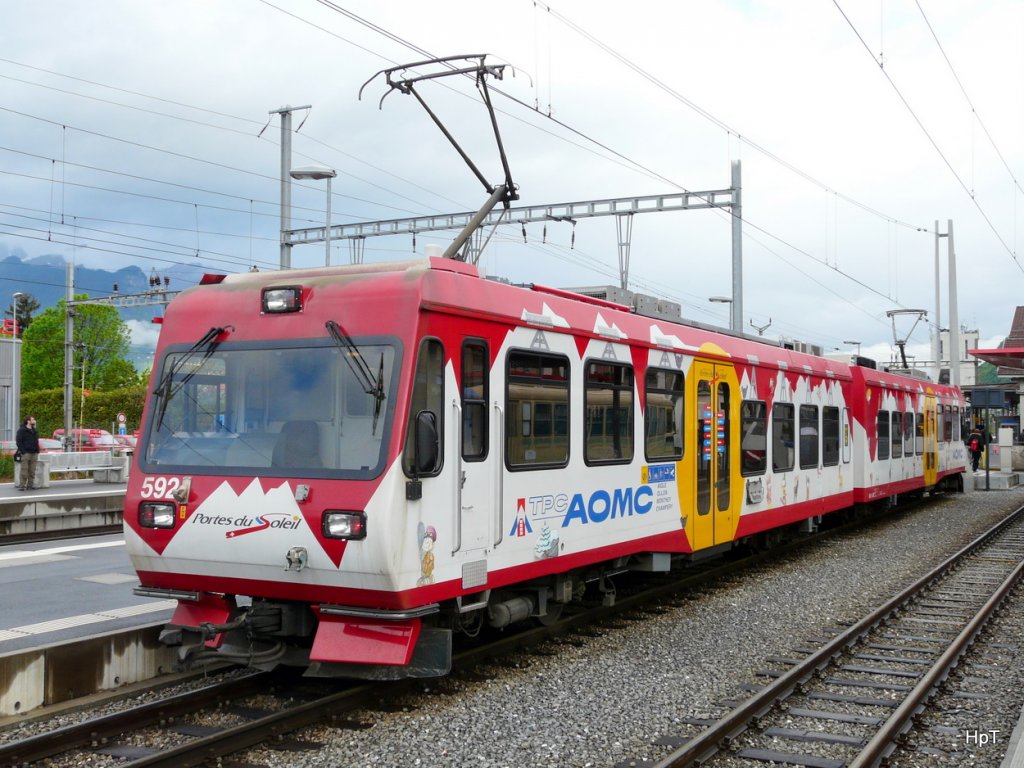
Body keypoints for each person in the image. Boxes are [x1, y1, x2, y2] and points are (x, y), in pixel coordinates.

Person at [15, 415, 41, 491]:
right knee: (24, 470)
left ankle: (30, 485)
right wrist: (23, 451)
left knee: (32, 470)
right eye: (33, 419)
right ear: (28, 421)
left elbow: (36, 441)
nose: (34, 421)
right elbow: (18, 441)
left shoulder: (34, 430)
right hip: (26, 453)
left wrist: (37, 450)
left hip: (34, 453)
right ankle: (22, 486)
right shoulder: (22, 430)